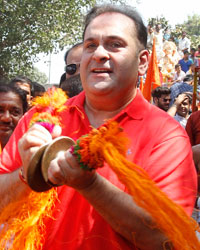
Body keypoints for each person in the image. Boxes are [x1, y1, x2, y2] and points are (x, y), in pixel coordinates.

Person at [0, 4, 197, 250]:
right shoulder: (42, 116)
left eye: (115, 44)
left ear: (143, 61)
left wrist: (90, 185)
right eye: (90, 45)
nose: (99, 54)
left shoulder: (166, 136)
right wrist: (26, 175)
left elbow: (169, 240)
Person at [0, 83, 28, 151]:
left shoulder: (32, 151)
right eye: (0, 111)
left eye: (15, 112)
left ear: (24, 116)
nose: (6, 118)